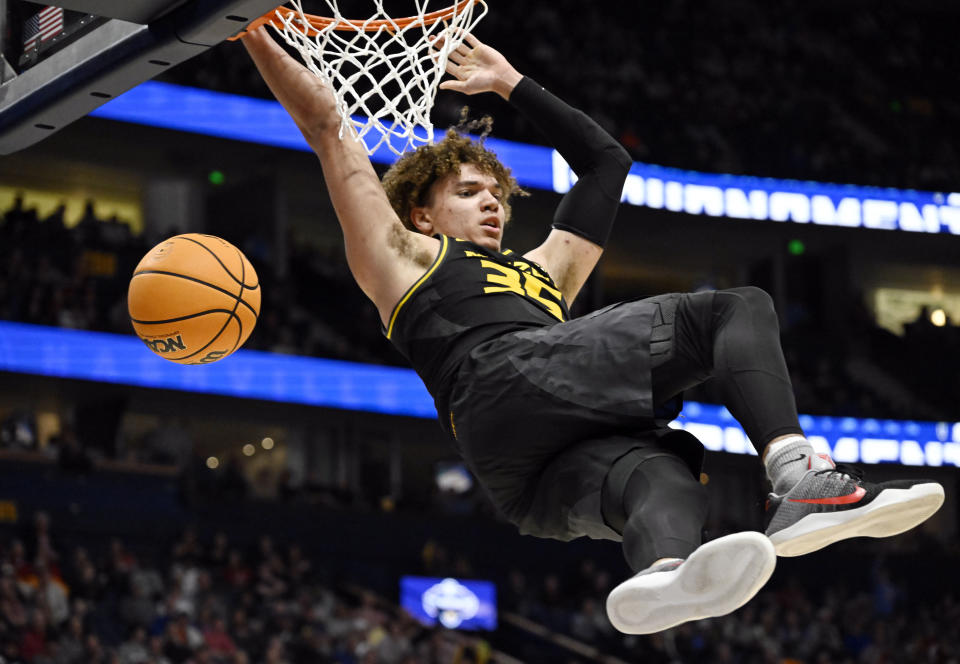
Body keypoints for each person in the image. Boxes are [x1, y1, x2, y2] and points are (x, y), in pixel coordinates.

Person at [240, 27, 945, 634]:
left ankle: (662, 575)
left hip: (524, 477)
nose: (492, 204)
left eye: (497, 195)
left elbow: (607, 162)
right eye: (467, 192)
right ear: (421, 214)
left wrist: (513, 82)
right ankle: (799, 479)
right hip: (500, 380)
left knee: (661, 473)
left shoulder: (548, 272)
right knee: (732, 310)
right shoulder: (401, 256)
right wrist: (244, 28)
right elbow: (327, 124)